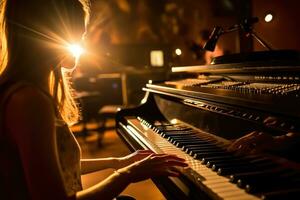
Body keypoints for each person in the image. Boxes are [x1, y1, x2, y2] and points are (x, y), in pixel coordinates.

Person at [0, 0, 188, 199]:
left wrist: (116, 162)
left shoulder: (26, 94)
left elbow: (59, 166)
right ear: (46, 34)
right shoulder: (29, 102)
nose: (81, 45)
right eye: (78, 36)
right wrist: (127, 175)